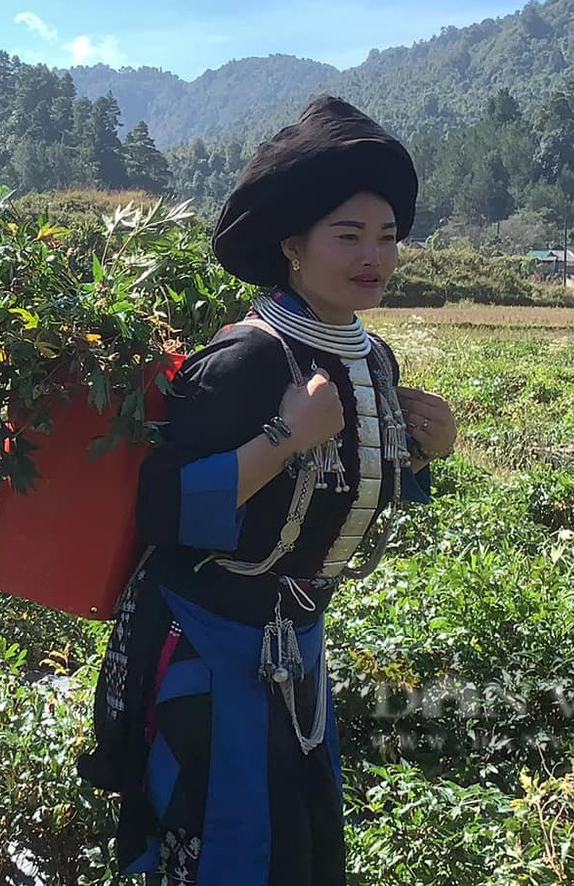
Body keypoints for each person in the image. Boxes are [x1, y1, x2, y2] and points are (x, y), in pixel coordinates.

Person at [79, 96, 458, 885]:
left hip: (298, 647)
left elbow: (345, 496)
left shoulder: (373, 356)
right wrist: (282, 436)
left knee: (298, 848)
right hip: (210, 644)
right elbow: (164, 508)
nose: (374, 256)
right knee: (224, 843)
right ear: (293, 246)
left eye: (387, 237)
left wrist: (428, 454)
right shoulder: (244, 360)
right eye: (348, 235)